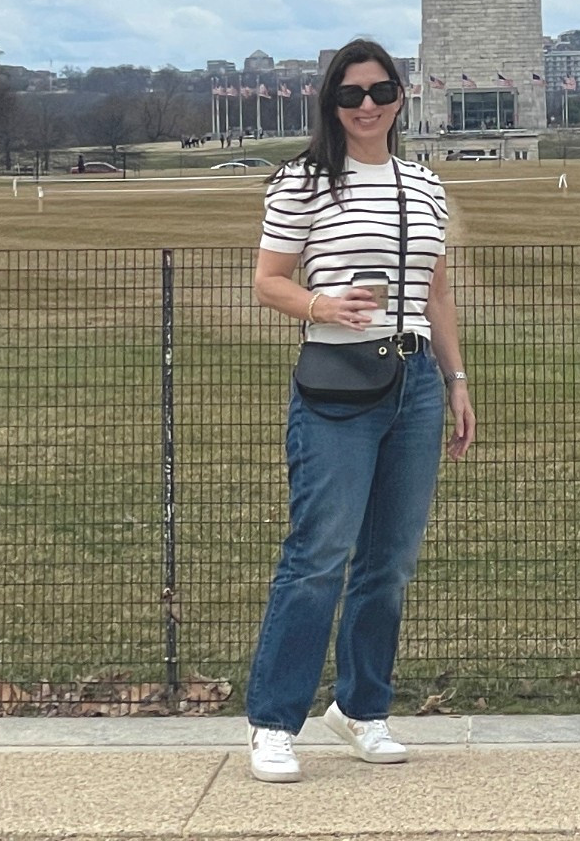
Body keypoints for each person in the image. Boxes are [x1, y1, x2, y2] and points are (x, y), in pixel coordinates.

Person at [243, 39, 474, 785]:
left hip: (415, 387)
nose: (367, 105)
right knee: (319, 555)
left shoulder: (426, 186)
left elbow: (436, 294)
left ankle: (362, 709)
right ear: (331, 105)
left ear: (400, 98)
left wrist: (457, 379)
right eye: (351, 95)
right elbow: (269, 281)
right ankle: (274, 721)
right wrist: (322, 304)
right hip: (338, 383)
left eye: (379, 91)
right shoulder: (304, 181)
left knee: (390, 564)